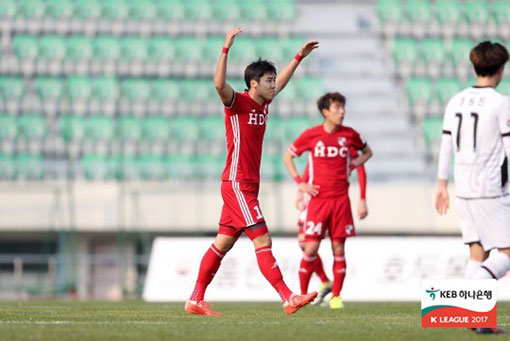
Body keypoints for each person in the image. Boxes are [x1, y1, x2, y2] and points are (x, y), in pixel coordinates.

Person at [185, 27, 319, 316]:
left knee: (222, 244)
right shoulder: (238, 103)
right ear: (253, 84)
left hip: (246, 185)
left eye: (273, 80)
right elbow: (218, 84)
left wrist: (298, 57)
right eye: (268, 81)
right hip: (237, 183)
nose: (274, 85)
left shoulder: (263, 104)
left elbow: (282, 82)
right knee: (262, 239)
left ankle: (195, 298)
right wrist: (225, 48)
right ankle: (287, 297)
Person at [435, 41, 510, 335]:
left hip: (462, 187)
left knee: (477, 251)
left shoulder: (456, 100)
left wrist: (441, 184)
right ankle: (466, 297)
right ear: (501, 69)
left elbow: (445, 145)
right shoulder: (501, 101)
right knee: (507, 251)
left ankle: (479, 320)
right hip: (490, 188)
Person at [282, 92, 373, 309]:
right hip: (318, 200)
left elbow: (367, 153)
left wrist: (352, 165)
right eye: (337, 108)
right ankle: (302, 295)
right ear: (325, 112)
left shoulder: (350, 135)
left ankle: (336, 298)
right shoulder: (311, 135)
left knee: (338, 249)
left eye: (343, 108)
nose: (342, 112)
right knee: (310, 247)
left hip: (340, 201)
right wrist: (300, 184)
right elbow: (288, 157)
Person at [294, 150, 368, 306]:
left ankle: (335, 296)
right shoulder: (317, 138)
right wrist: (301, 190)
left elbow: (360, 167)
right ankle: (324, 281)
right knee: (305, 244)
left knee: (338, 247)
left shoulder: (346, 141)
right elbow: (310, 165)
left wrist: (362, 198)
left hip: (337, 200)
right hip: (314, 197)